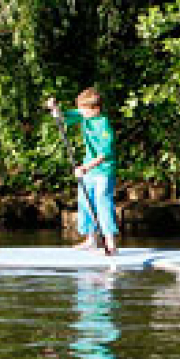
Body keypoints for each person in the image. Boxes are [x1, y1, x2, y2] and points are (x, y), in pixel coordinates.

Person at [47, 88, 119, 255]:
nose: (81, 112)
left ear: (96, 109)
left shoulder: (104, 125)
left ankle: (110, 242)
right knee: (85, 202)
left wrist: (85, 168)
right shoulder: (84, 115)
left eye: (84, 109)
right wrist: (55, 109)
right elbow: (63, 116)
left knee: (102, 202)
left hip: (103, 170)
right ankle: (91, 240)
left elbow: (104, 154)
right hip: (88, 169)